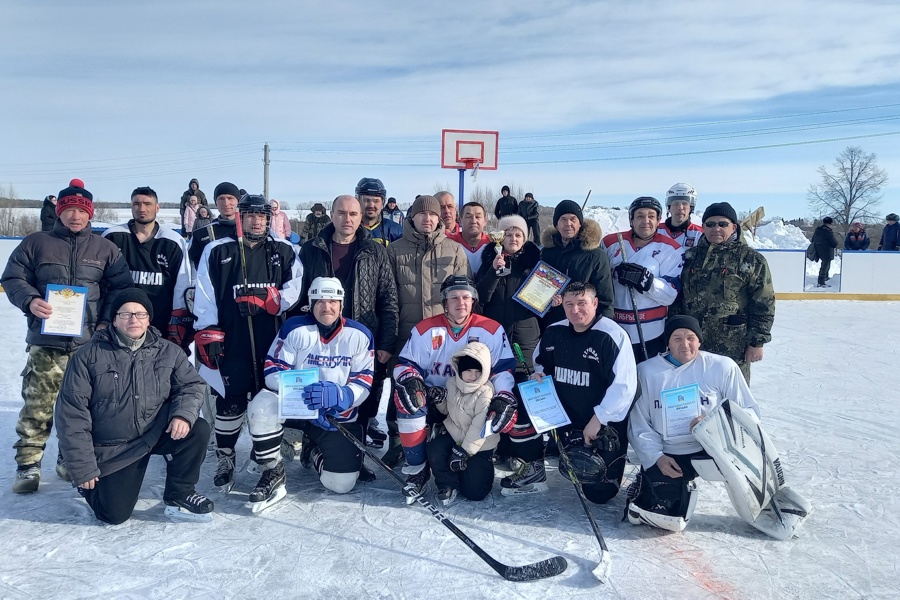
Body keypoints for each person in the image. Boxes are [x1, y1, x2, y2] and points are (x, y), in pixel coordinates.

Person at [2, 178, 133, 493]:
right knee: (38, 405)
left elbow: (120, 289)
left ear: (90, 213)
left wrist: (105, 323)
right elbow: (13, 276)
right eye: (69, 209)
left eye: (82, 210)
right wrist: (31, 300)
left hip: (89, 346)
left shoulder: (105, 249)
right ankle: (28, 466)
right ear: (59, 211)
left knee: (82, 408)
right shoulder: (36, 243)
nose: (76, 215)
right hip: (47, 344)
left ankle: (68, 460)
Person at [54, 288, 213, 524]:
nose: (133, 319)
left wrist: (182, 415)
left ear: (149, 318)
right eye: (126, 314)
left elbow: (191, 385)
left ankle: (180, 493)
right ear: (115, 319)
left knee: (197, 427)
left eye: (140, 314)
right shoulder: (87, 356)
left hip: (154, 431)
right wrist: (83, 467)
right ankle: (90, 487)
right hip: (114, 447)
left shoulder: (169, 352)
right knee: (113, 515)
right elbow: (71, 416)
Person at [193, 194, 303, 492]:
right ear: (240, 217)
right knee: (230, 400)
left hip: (273, 340)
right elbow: (205, 292)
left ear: (270, 218)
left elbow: (295, 289)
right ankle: (225, 456)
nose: (257, 221)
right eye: (250, 215)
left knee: (268, 398)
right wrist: (207, 330)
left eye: (262, 216)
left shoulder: (285, 250)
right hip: (232, 337)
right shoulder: (217, 250)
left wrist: (272, 301)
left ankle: (266, 452)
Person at [244, 277, 375, 509]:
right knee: (262, 405)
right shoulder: (295, 328)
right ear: (311, 303)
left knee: (341, 484)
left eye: (333, 301)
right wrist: (308, 392)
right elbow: (272, 372)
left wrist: (341, 396)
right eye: (321, 301)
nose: (327, 307)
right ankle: (273, 470)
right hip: (297, 408)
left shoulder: (359, 335)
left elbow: (364, 382)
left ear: (341, 304)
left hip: (334, 416)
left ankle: (312, 449)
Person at [291, 195, 398, 473]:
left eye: (353, 214)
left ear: (361, 217)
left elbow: (388, 299)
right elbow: (297, 296)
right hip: (320, 338)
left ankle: (355, 453)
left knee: (362, 396)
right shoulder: (312, 250)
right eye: (341, 213)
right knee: (317, 391)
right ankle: (313, 443)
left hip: (362, 339)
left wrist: (386, 341)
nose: (347, 219)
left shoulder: (375, 251)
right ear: (332, 215)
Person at [625, 315, 759, 531]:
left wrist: (714, 423)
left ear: (700, 341)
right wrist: (656, 457)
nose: (684, 344)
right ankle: (649, 488)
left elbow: (750, 413)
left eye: (690, 338)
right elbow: (639, 424)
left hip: (717, 449)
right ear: (667, 342)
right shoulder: (647, 372)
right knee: (667, 515)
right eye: (676, 338)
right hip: (671, 454)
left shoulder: (722, 367)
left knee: (748, 484)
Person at [393, 275, 517, 501]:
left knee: (475, 490)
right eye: (454, 298)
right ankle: (417, 469)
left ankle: (473, 458)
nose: (461, 302)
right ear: (445, 303)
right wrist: (411, 380)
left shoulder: (490, 329)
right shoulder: (425, 329)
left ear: (473, 301)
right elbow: (406, 364)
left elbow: (503, 370)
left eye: (466, 297)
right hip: (434, 398)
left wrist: (503, 396)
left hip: (472, 403)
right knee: (407, 400)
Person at [527, 281, 637, 502]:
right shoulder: (554, 331)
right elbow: (540, 362)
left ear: (595, 303)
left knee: (599, 494)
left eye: (581, 303)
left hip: (601, 421)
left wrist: (600, 419)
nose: (575, 310)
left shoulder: (612, 335)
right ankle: (535, 463)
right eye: (569, 304)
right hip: (566, 417)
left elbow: (624, 387)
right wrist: (537, 374)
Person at [385, 195, 470, 467]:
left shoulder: (454, 251)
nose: (428, 219)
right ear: (412, 217)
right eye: (422, 214)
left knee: (444, 389)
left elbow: (464, 296)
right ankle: (397, 442)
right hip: (406, 335)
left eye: (432, 215)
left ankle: (442, 441)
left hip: (443, 337)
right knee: (402, 389)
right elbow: (387, 296)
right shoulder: (394, 250)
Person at [673, 202, 775, 383]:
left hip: (733, 345)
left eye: (723, 224)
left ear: (734, 227)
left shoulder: (750, 259)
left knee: (732, 399)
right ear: (703, 227)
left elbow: (764, 303)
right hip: (693, 344)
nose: (716, 228)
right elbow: (678, 298)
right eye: (710, 224)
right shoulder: (690, 257)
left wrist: (757, 342)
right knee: (696, 396)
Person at [474, 214, 542, 468]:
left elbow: (541, 304)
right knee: (497, 392)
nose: (513, 239)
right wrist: (493, 270)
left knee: (523, 394)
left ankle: (522, 452)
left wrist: (553, 301)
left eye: (518, 235)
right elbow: (480, 297)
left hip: (525, 338)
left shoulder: (534, 263)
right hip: (495, 337)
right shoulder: (489, 260)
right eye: (508, 234)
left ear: (524, 239)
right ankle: (500, 446)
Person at [102, 186, 193, 352]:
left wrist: (178, 320)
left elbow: (182, 284)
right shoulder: (112, 237)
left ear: (157, 207)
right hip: (118, 323)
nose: (142, 209)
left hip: (159, 324)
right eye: (136, 204)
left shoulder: (173, 241)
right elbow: (99, 280)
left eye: (147, 204)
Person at [603, 197, 683, 362]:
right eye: (639, 216)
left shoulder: (672, 249)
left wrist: (648, 282)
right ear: (631, 219)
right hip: (616, 327)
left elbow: (670, 295)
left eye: (651, 216)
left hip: (651, 332)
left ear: (658, 220)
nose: (645, 221)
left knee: (649, 381)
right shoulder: (611, 243)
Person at [426, 341, 499, 506]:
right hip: (455, 435)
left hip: (479, 445)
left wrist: (464, 452)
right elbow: (447, 411)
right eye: (468, 371)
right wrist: (440, 399)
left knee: (474, 493)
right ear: (459, 370)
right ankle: (447, 484)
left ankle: (478, 473)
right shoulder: (452, 383)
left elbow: (479, 426)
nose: (472, 376)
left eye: (477, 371)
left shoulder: (486, 391)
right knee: (435, 448)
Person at [540, 199, 615, 327]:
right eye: (563, 219)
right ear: (556, 225)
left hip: (585, 326)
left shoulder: (595, 255)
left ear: (580, 223)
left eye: (573, 219)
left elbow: (605, 300)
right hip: (554, 325)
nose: (568, 223)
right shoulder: (546, 253)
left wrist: (603, 329)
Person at [188, 181, 241, 268]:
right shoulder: (201, 234)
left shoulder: (250, 232)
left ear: (238, 201)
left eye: (230, 198)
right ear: (216, 202)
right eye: (221, 199)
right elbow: (191, 265)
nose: (226, 203)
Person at [447, 201, 491, 273]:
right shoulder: (449, 243)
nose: (473, 221)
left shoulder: (492, 244)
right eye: (468, 217)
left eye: (478, 217)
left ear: (485, 221)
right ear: (460, 221)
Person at [356, 177, 402, 246]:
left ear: (382, 203)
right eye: (366, 200)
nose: (371, 205)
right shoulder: (349, 229)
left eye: (376, 201)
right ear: (358, 201)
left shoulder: (396, 231)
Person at [658, 183, 703, 249]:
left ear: (690, 208)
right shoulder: (656, 230)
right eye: (676, 204)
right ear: (669, 208)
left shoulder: (699, 234)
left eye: (685, 204)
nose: (680, 208)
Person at [811, 216, 838, 287]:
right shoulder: (828, 231)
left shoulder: (818, 230)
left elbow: (813, 239)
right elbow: (834, 243)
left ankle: (824, 278)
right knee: (825, 267)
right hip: (827, 251)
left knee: (824, 266)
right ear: (829, 224)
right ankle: (821, 281)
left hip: (819, 250)